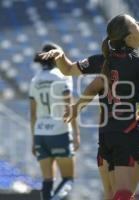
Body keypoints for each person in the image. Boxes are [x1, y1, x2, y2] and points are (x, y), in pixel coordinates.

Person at [39, 15, 139, 200]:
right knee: (123, 194)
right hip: (129, 132)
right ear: (129, 37)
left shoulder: (109, 59)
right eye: (135, 24)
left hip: (118, 132)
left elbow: (69, 70)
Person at [29, 43, 80, 200]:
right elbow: (68, 108)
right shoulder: (63, 76)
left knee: (47, 180)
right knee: (68, 179)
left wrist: (33, 140)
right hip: (59, 132)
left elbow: (32, 114)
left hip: (40, 133)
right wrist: (76, 134)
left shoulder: (35, 80)